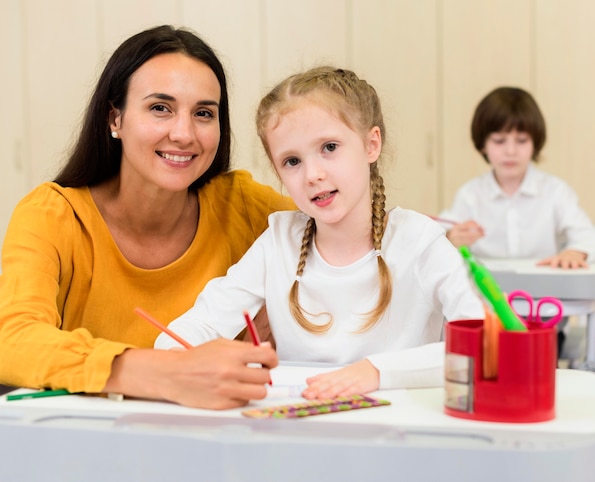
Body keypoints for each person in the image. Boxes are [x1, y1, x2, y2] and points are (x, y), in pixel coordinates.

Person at [0, 25, 296, 410]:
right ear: (115, 120)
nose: (184, 133)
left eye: (204, 113)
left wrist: (292, 311)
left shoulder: (244, 205)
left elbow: (350, 241)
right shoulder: (53, 214)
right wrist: (167, 373)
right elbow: (13, 339)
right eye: (160, 108)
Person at [155, 66, 484, 399]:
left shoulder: (420, 241)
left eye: (329, 147)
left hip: (397, 434)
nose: (312, 174)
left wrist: (375, 371)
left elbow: (482, 343)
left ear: (371, 144)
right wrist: (173, 359)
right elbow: (201, 323)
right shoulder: (278, 242)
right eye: (292, 161)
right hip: (303, 432)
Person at [439, 86, 595, 269]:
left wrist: (576, 251)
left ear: (535, 143)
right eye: (499, 141)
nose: (510, 151)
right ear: (483, 145)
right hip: (484, 293)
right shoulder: (470, 195)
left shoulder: (555, 191)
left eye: (521, 140)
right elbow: (435, 236)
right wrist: (450, 238)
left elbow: (594, 238)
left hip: (545, 291)